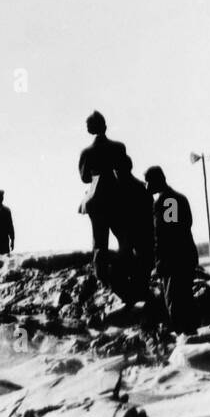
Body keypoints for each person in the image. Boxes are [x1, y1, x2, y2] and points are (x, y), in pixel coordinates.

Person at [77, 111, 130, 301]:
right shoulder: (118, 147)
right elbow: (125, 168)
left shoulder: (87, 152)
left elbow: (84, 178)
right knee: (124, 237)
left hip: (97, 199)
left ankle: (103, 278)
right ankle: (123, 272)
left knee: (100, 241)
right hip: (117, 197)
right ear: (104, 127)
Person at [145, 166, 196, 333]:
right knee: (185, 302)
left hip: (174, 260)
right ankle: (189, 336)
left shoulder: (168, 201)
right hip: (184, 257)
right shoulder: (174, 198)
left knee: (175, 303)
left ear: (157, 180)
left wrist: (160, 261)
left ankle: (185, 338)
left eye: (148, 181)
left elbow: (169, 233)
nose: (146, 186)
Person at [117, 155, 155, 298]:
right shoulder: (142, 187)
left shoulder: (118, 189)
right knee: (141, 275)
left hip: (133, 238)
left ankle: (138, 300)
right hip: (143, 238)